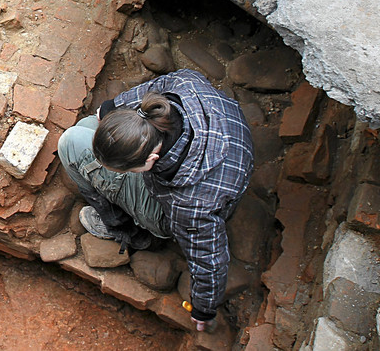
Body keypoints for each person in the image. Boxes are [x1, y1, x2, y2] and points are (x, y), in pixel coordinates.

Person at [56, 69, 253, 331]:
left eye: (125, 170)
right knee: (88, 127)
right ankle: (116, 158)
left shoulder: (190, 204)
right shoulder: (185, 86)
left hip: (186, 201)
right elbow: (160, 85)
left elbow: (209, 256)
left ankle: (125, 229)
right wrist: (114, 107)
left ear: (150, 161)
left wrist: (204, 308)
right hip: (223, 148)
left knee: (71, 141)